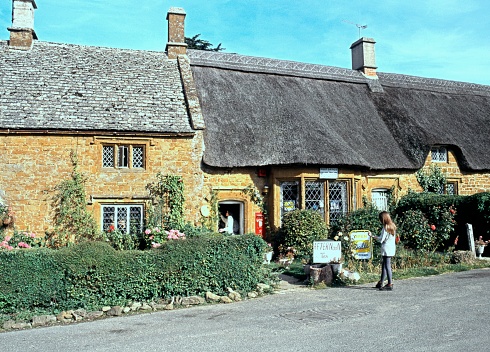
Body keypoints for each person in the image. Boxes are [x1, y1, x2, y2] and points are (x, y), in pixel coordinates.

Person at [368, 211, 397, 291]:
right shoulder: (392, 226)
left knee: (387, 266)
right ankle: (381, 282)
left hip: (386, 248)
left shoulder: (385, 228)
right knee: (384, 265)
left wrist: (372, 236)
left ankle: (389, 283)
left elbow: (381, 239)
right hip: (391, 248)